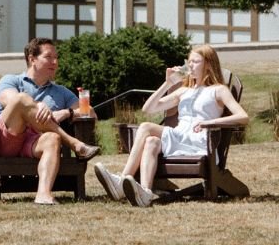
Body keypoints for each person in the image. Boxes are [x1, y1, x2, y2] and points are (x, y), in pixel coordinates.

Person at [93, 44, 249, 207]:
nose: (190, 66)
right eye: (189, 62)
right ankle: (145, 192)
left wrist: (210, 122)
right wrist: (167, 84)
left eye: (195, 62)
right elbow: (148, 109)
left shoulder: (218, 90)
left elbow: (243, 117)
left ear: (208, 64)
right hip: (180, 137)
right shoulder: (184, 91)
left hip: (201, 142)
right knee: (151, 141)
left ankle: (122, 180)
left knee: (146, 127)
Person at [0, 38, 101, 205]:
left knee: (53, 139)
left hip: (35, 142)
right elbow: (9, 100)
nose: (55, 62)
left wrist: (67, 112)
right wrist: (37, 105)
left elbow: (91, 113)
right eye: (49, 57)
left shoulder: (61, 92)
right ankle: (75, 144)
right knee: (22, 99)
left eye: (56, 57)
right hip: (10, 137)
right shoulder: (11, 80)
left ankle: (43, 194)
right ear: (32, 59)